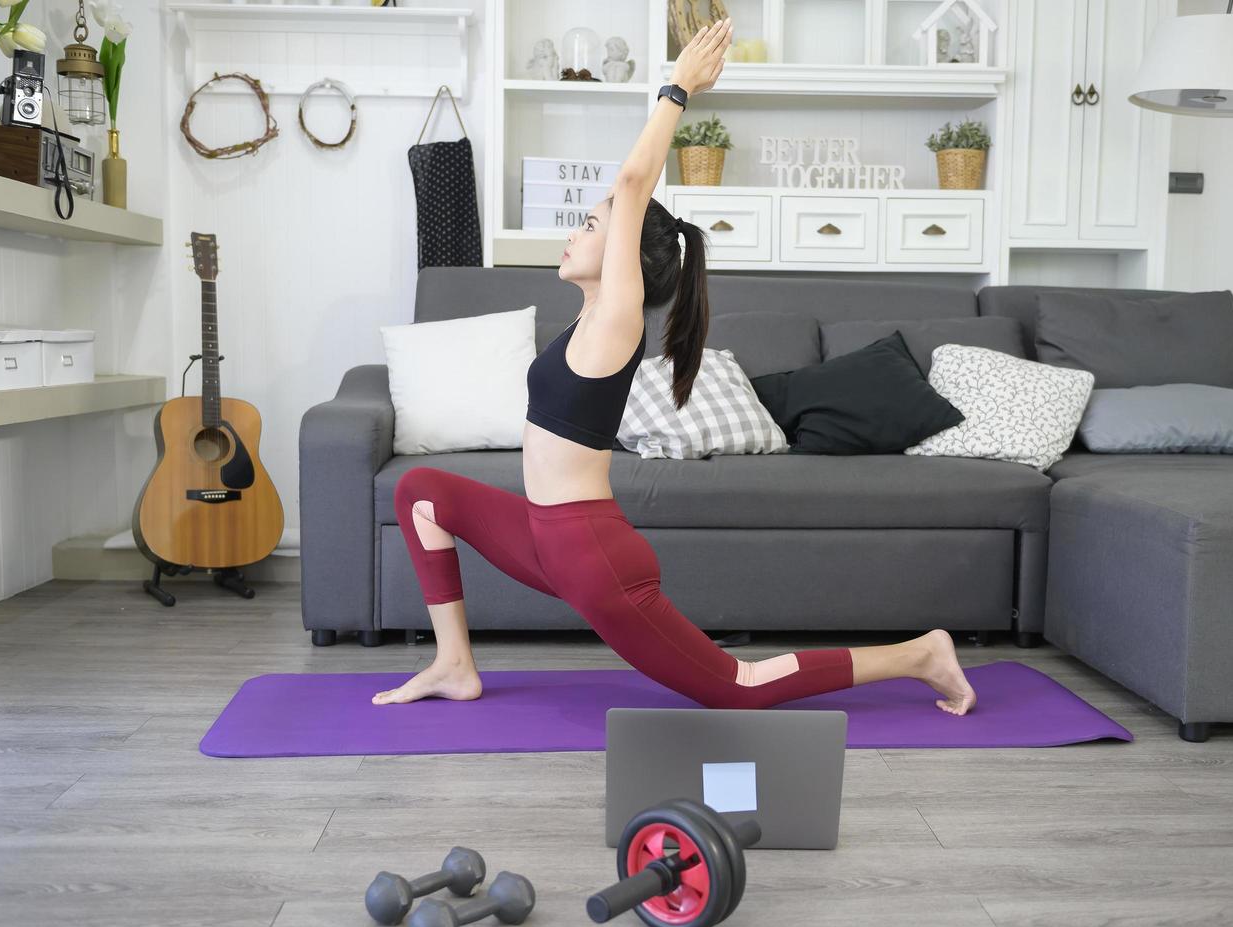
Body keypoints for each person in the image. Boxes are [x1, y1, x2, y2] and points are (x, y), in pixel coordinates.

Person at [374, 17, 976, 717]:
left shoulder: (616, 321)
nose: (575, 232)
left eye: (590, 225)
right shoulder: (582, 319)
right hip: (544, 539)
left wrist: (678, 87)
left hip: (591, 557)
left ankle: (920, 655)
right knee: (420, 491)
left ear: (629, 257)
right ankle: (453, 664)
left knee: (737, 689)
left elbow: (632, 183)